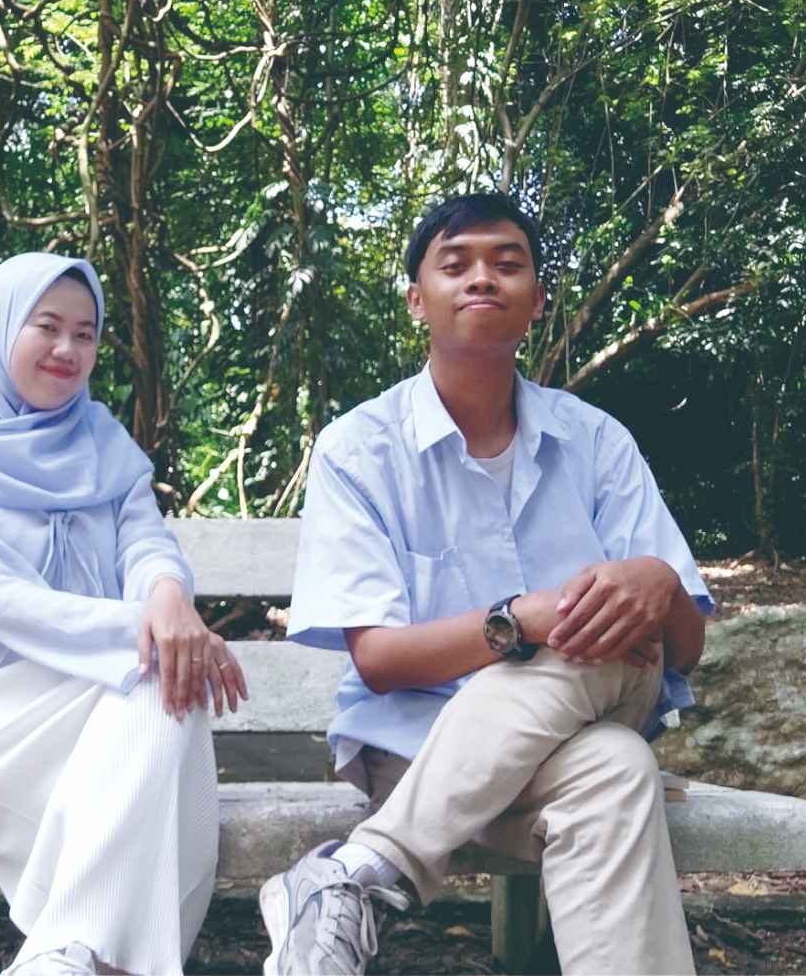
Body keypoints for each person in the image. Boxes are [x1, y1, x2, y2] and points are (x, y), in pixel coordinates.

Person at [259, 193, 712, 976]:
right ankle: (371, 861)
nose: (482, 279)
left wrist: (662, 586)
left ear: (537, 302)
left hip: (563, 730)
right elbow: (379, 660)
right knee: (617, 764)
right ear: (417, 299)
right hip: (418, 755)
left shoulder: (597, 443)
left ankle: (358, 871)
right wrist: (520, 620)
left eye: (507, 263)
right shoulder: (359, 449)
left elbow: (685, 649)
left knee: (611, 632)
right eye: (455, 263)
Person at [0, 252, 249, 976]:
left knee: (160, 684)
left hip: (104, 717)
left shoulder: (104, 443)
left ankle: (64, 956)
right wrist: (149, 629)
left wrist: (168, 595)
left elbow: (147, 543)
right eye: (46, 326)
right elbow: (4, 602)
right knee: (161, 682)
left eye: (85, 334)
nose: (67, 349)